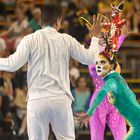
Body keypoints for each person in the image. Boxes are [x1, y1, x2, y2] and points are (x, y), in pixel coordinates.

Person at [0, 4, 105, 140]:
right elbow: (91, 58)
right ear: (58, 22)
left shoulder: (29, 39)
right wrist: (95, 37)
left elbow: (12, 65)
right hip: (60, 100)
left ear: (40, 22)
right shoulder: (66, 40)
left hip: (37, 99)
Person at [76, 52, 140, 140]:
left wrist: (89, 113)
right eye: (97, 63)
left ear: (112, 66)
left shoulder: (111, 81)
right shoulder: (116, 76)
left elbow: (102, 93)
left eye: (102, 62)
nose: (98, 66)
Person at [88, 25, 128, 140]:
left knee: (122, 136)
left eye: (105, 35)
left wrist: (122, 36)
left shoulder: (109, 53)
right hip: (99, 103)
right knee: (96, 137)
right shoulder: (92, 56)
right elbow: (105, 54)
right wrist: (121, 37)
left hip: (115, 100)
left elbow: (112, 49)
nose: (105, 38)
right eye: (101, 36)